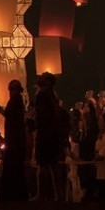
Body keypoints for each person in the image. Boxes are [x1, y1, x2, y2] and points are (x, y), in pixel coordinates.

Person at [33, 73, 70, 201]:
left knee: (43, 166)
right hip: (53, 135)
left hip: (44, 135)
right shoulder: (53, 97)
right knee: (54, 166)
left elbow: (40, 116)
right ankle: (58, 193)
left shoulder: (42, 96)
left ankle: (41, 193)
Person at [0, 80, 30, 201]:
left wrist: (0, 110)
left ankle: (11, 194)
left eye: (11, 90)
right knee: (16, 168)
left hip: (14, 141)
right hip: (15, 140)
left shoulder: (15, 101)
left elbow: (10, 116)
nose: (10, 92)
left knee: (12, 167)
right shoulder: (18, 102)